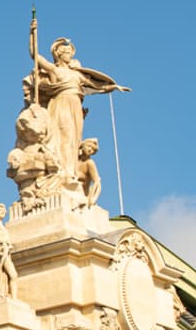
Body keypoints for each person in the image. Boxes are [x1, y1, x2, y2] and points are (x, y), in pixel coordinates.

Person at [30, 38, 128, 179]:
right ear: (59, 54)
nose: (70, 55)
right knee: (64, 135)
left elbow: (96, 85)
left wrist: (113, 87)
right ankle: (62, 170)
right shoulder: (54, 70)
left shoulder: (77, 74)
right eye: (67, 52)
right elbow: (35, 55)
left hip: (75, 106)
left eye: (70, 52)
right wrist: (32, 33)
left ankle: (71, 171)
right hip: (61, 104)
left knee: (74, 139)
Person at [77, 138, 102, 208]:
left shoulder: (89, 163)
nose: (90, 150)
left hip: (82, 195)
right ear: (83, 145)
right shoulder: (74, 160)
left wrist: (93, 199)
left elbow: (97, 182)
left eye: (93, 149)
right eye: (89, 146)